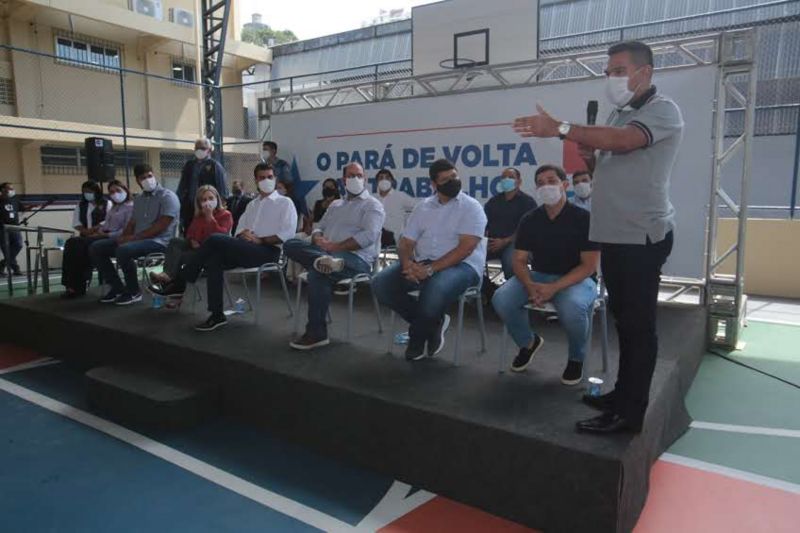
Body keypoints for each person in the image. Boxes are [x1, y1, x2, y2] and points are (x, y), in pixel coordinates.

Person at [513, 40, 683, 434]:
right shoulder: (619, 112)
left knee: (639, 329)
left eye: (619, 70)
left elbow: (625, 142)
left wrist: (560, 128)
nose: (612, 78)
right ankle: (621, 394)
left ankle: (630, 412)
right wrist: (590, 156)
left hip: (642, 236)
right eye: (608, 72)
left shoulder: (662, 110)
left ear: (645, 72)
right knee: (624, 323)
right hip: (616, 235)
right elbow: (611, 157)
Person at [152, 163, 297, 332]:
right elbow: (239, 231)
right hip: (245, 248)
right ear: (256, 180)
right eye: (262, 177)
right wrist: (243, 235)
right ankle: (217, 315)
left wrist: (261, 240)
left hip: (268, 252)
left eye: (270, 177)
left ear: (275, 178)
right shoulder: (252, 205)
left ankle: (180, 281)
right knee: (215, 260)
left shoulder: (285, 203)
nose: (267, 180)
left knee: (215, 239)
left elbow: (286, 234)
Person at [491, 165, 600, 385]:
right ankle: (528, 342)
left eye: (552, 181)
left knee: (572, 308)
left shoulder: (583, 218)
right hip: (539, 276)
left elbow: (588, 266)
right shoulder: (530, 219)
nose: (546, 186)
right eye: (540, 183)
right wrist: (531, 286)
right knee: (501, 299)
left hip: (577, 279)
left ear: (564, 185)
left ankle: (576, 357)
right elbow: (519, 261)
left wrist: (554, 288)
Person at [373, 159, 487, 361]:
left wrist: (430, 270)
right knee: (381, 284)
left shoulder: (471, 207)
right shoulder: (422, 207)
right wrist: (407, 264)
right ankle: (433, 322)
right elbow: (406, 243)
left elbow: (465, 249)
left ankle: (418, 337)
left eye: (454, 176)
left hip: (463, 266)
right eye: (445, 179)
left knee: (434, 288)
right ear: (434, 185)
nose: (452, 181)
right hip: (423, 262)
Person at [283, 162, 385, 350]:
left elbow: (369, 236)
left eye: (359, 175)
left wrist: (336, 246)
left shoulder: (373, 205)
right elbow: (319, 226)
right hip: (325, 253)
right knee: (290, 243)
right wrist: (317, 237)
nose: (355, 179)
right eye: (351, 175)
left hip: (356, 260)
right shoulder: (336, 204)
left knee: (318, 272)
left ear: (365, 179)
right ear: (343, 180)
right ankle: (322, 261)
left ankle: (316, 333)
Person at [90, 164, 180, 305]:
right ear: (138, 181)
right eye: (143, 178)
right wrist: (123, 237)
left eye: (149, 176)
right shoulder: (139, 199)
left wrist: (132, 239)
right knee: (97, 247)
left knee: (124, 250)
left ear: (154, 175)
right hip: (137, 240)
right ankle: (117, 288)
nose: (147, 179)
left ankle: (133, 291)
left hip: (160, 242)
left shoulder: (168, 196)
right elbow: (132, 223)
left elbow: (161, 225)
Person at [149, 185, 232, 289]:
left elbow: (220, 235)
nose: (208, 202)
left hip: (213, 253)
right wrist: (192, 240)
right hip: (198, 248)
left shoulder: (225, 215)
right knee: (175, 242)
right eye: (204, 200)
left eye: (211, 198)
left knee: (181, 256)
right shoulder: (199, 216)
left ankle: (172, 284)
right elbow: (190, 233)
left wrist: (210, 218)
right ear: (199, 203)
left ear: (217, 199)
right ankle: (167, 276)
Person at [60, 181, 111, 298]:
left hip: (100, 236)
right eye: (85, 192)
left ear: (96, 192)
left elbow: (109, 221)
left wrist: (95, 229)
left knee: (77, 244)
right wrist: (85, 231)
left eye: (89, 192)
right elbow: (76, 223)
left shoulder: (107, 203)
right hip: (85, 237)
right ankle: (71, 285)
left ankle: (79, 285)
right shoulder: (81, 205)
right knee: (72, 245)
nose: (87, 194)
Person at [484, 167, 537, 279]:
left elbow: (528, 229)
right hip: (494, 243)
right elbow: (484, 225)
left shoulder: (528, 202)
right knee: (482, 263)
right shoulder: (493, 202)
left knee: (511, 262)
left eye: (511, 177)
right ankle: (491, 292)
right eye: (503, 177)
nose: (506, 179)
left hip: (516, 244)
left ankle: (513, 291)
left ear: (519, 182)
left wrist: (505, 241)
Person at [177, 137, 228, 234]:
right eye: (198, 148)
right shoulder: (189, 165)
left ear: (209, 150)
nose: (200, 150)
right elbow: (182, 186)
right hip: (190, 207)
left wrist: (217, 208)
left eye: (203, 148)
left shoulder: (215, 165)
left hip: (207, 207)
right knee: (189, 233)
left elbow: (223, 190)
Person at [375, 168, 417, 248]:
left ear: (392, 181)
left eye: (387, 178)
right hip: (375, 243)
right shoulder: (373, 199)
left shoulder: (400, 196)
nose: (384, 180)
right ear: (377, 182)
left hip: (396, 244)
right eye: (381, 178)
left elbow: (418, 207)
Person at [0, 182, 23, 276]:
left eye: (12, 188)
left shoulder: (15, 199)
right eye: (9, 188)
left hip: (15, 227)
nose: (11, 190)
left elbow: (22, 208)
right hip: (2, 228)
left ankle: (2, 264)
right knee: (6, 249)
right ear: (2, 190)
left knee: (18, 245)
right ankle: (16, 269)